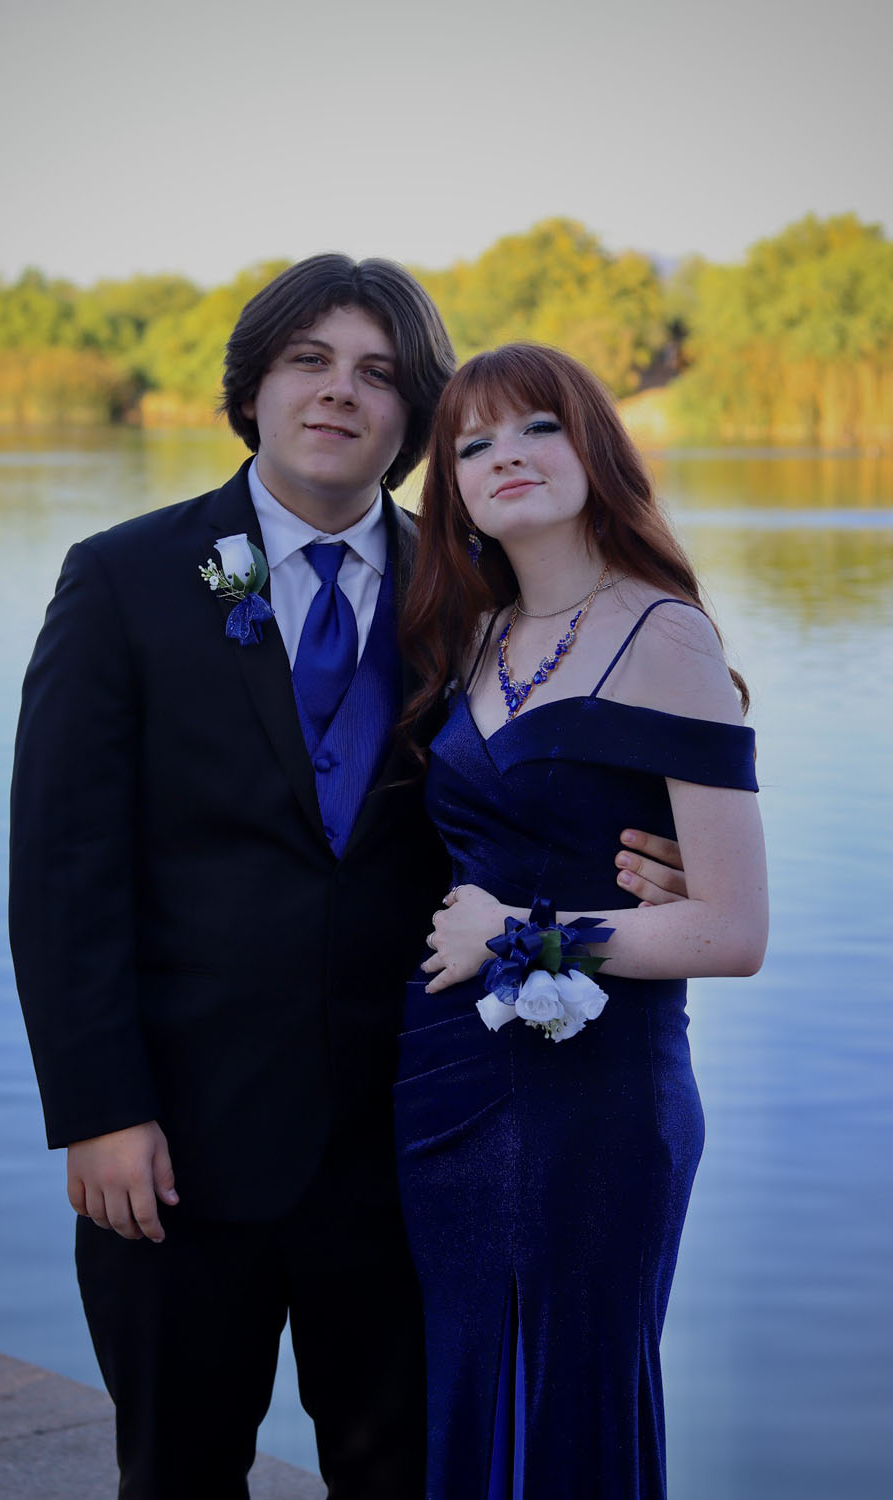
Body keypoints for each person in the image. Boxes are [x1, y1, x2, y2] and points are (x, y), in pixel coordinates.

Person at [10, 261, 689, 1500]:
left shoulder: (472, 591)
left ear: (413, 415)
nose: (340, 394)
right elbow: (61, 871)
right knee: (176, 1472)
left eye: (378, 373)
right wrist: (98, 1110)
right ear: (254, 387)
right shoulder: (123, 578)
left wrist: (646, 846)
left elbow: (561, 765)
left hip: (419, 1134)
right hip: (178, 1150)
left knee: (401, 1475)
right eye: (309, 361)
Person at [394, 343, 768, 1500]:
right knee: (465, 1392)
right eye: (473, 445)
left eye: (536, 427)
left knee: (570, 1404)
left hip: (598, 1101)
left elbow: (733, 930)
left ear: (593, 445)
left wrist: (524, 931)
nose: (507, 457)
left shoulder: (665, 638)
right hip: (447, 1090)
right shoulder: (472, 640)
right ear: (449, 490)